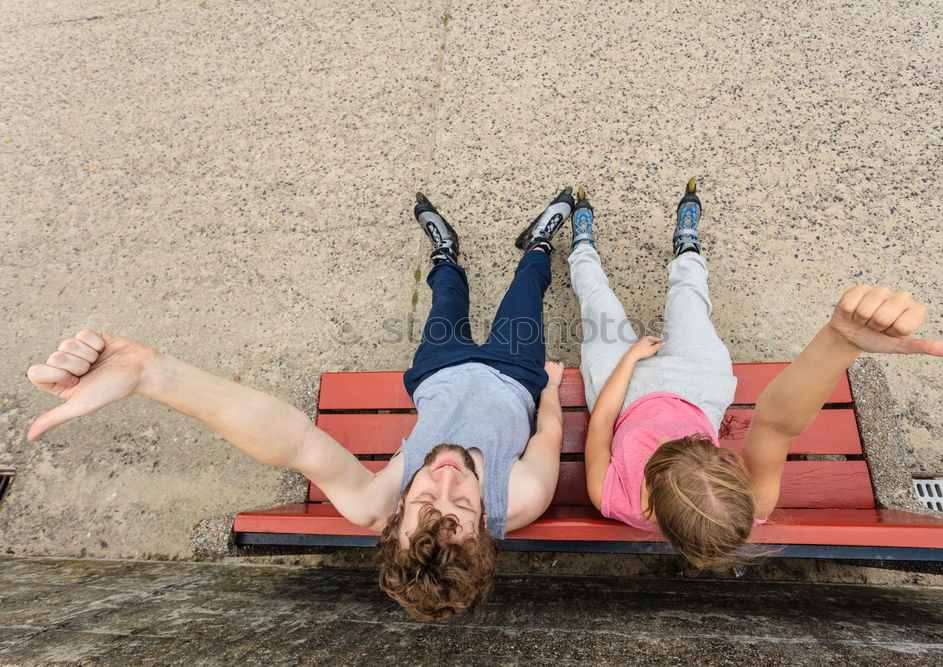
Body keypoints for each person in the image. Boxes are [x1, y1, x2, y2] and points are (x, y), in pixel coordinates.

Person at [26, 189, 574, 621]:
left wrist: (153, 374)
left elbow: (298, 443)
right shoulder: (522, 495)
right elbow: (548, 434)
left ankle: (445, 254)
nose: (447, 480)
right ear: (484, 527)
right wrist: (547, 387)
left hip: (437, 370)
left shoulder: (373, 502)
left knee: (446, 295)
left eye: (424, 501)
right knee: (526, 289)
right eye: (462, 509)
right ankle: (539, 247)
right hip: (512, 371)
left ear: (395, 519)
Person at [570, 180, 943, 569]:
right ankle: (688, 247)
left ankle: (582, 248)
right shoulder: (750, 505)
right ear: (738, 481)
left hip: (622, 396)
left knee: (598, 305)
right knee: (689, 302)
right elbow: (776, 424)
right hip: (698, 389)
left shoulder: (611, 497)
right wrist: (839, 343)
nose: (689, 439)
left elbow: (603, 419)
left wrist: (629, 360)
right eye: (712, 452)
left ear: (652, 494)